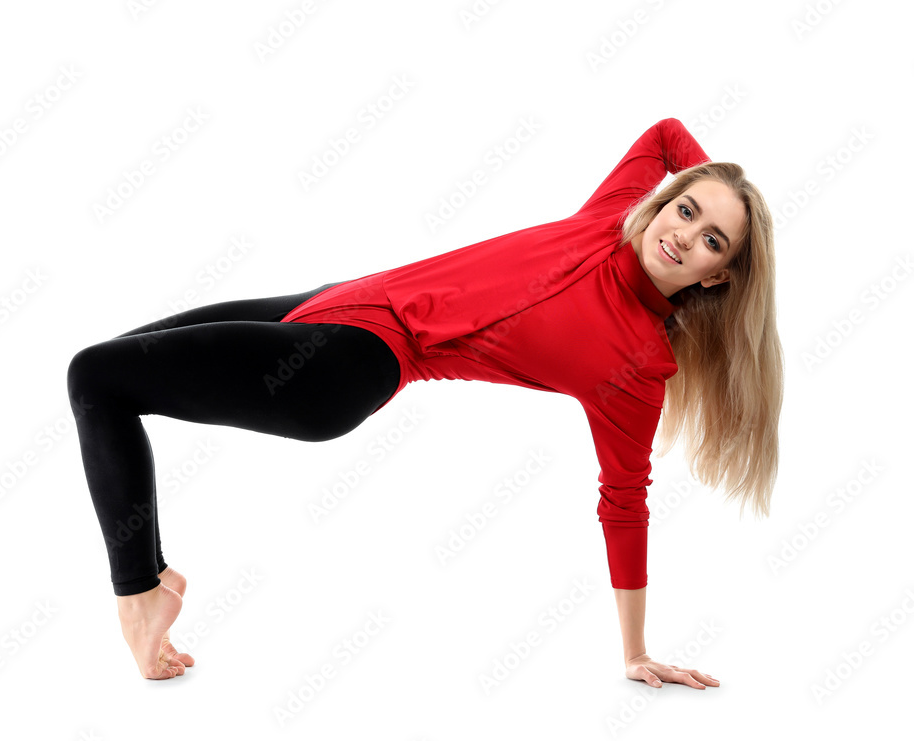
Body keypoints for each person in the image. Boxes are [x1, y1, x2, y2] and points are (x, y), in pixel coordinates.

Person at [67, 118, 783, 686]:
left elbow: (624, 502)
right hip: (334, 303)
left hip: (351, 363)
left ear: (719, 277)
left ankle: (139, 593)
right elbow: (665, 133)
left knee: (96, 376)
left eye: (711, 240)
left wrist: (637, 649)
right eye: (685, 209)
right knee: (108, 373)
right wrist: (729, 187)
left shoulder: (637, 366)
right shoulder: (611, 215)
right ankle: (153, 574)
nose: (683, 234)